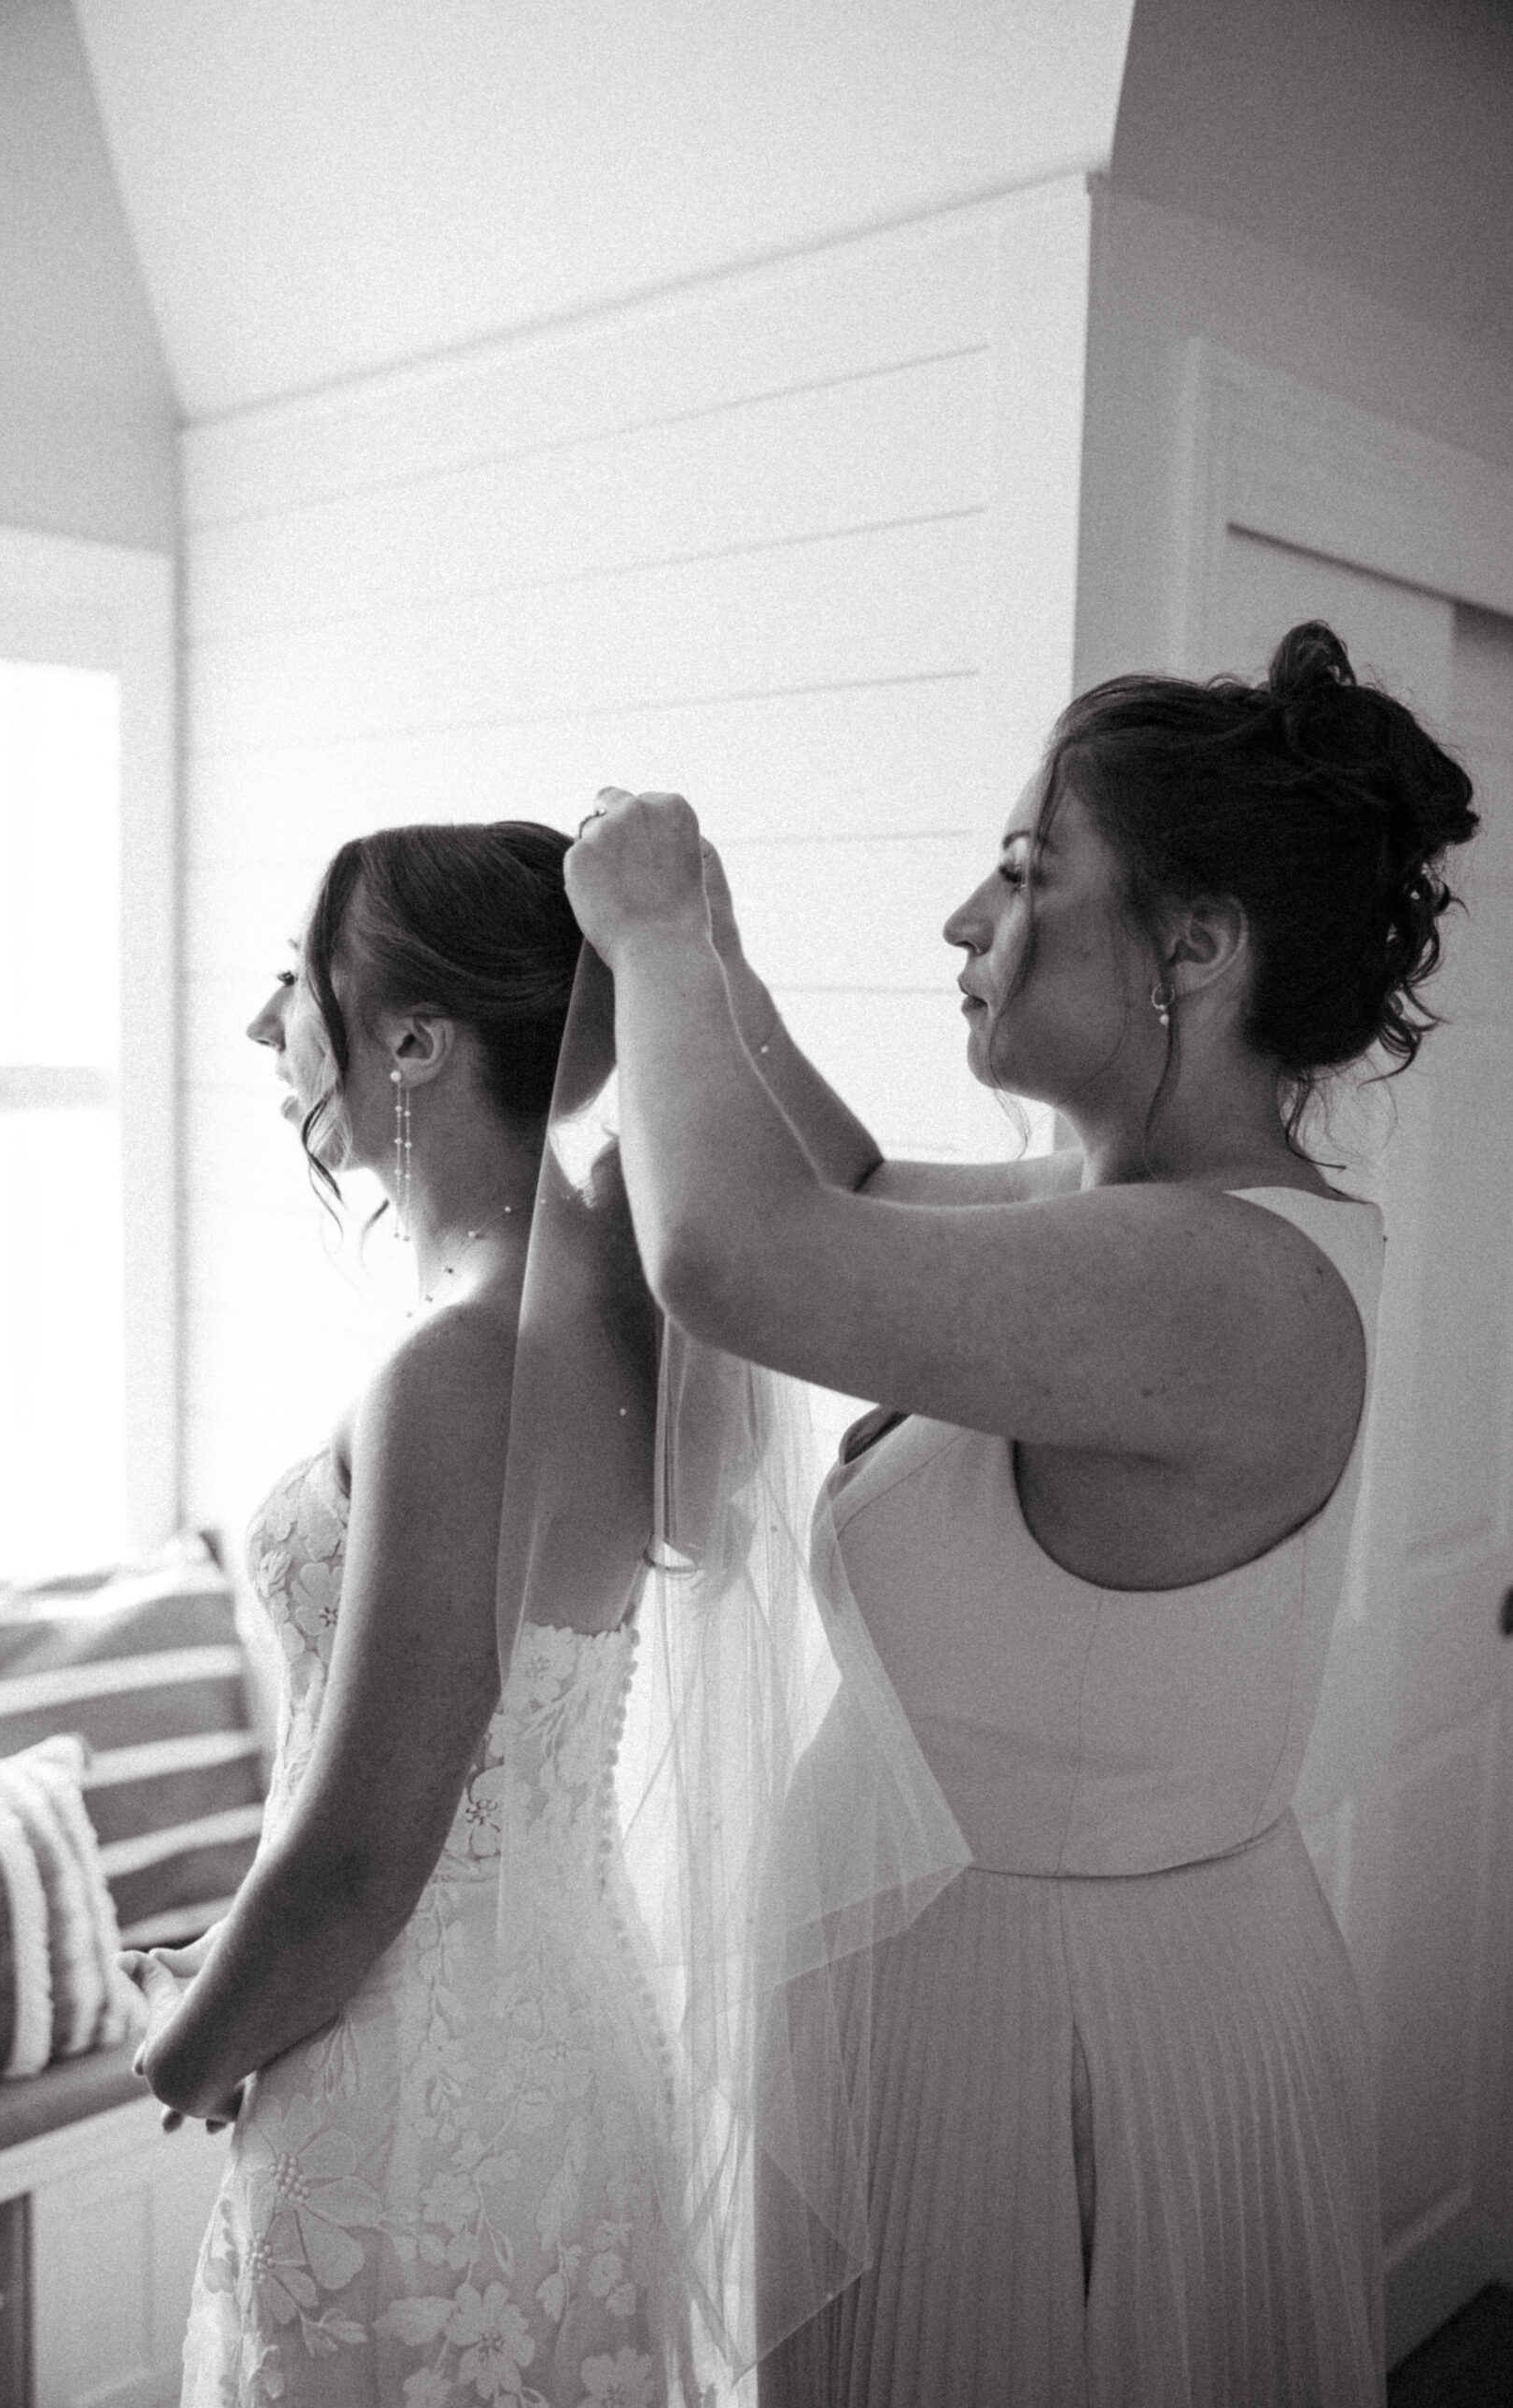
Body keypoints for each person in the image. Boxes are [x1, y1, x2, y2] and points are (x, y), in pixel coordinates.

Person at [563, 623, 1479, 2408]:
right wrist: (724, 969)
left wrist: (657, 941)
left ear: (1197, 945)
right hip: (985, 1996)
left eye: (1022, 874)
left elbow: (741, 1254)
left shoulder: (1222, 1281)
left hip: (1060, 2041)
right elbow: (853, 1189)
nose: (966, 925)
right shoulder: (1146, 1214)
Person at [120, 823, 679, 2408]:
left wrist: (189, 2047)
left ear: (417, 1038)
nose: (263, 1026)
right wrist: (240, 1952)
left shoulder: (454, 1370)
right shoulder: (617, 1310)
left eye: (301, 982)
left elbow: (372, 1849)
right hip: (570, 2049)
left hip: (415, 2121)